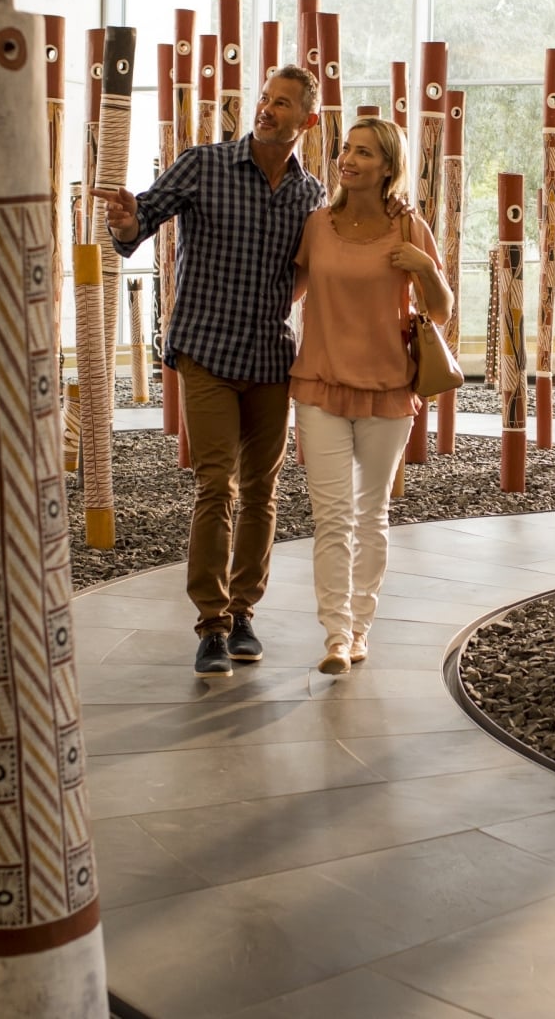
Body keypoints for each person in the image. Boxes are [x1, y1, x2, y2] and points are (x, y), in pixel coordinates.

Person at [92, 65, 325, 679]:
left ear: (308, 119)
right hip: (207, 354)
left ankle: (245, 611)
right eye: (264, 100)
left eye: (282, 104)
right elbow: (141, 216)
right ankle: (212, 624)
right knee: (216, 483)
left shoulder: (312, 194)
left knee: (262, 493)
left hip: (272, 359)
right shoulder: (204, 164)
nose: (267, 110)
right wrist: (124, 221)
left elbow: (312, 268)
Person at [289, 117, 454, 675]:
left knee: (371, 513)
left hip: (388, 388)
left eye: (363, 152)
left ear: (387, 166)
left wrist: (424, 267)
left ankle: (361, 627)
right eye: (345, 149)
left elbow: (440, 309)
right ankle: (336, 635)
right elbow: (289, 291)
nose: (349, 159)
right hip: (319, 384)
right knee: (332, 517)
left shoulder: (408, 228)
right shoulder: (317, 225)